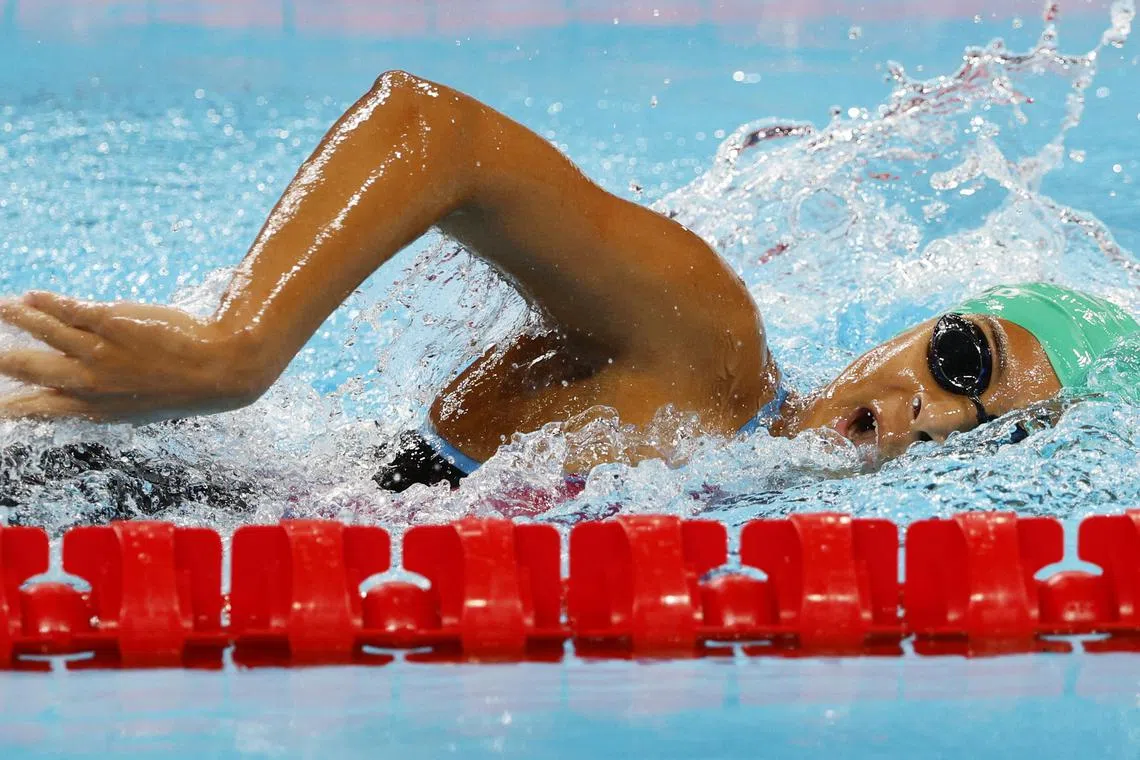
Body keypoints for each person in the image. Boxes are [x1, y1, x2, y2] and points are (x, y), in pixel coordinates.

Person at [0, 71, 1136, 496]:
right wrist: (231, 351)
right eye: (959, 360)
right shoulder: (715, 358)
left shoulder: (730, 482)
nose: (923, 414)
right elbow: (434, 130)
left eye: (981, 437)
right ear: (912, 329)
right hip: (103, 471)